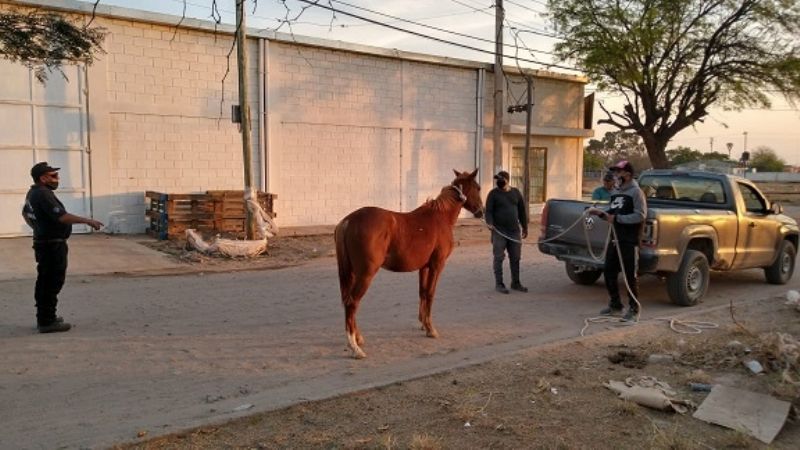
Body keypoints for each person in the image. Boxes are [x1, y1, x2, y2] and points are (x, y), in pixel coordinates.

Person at [22, 162, 104, 333]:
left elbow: (25, 214)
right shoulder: (43, 194)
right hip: (51, 245)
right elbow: (62, 217)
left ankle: (45, 316)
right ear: (42, 178)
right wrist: (87, 221)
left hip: (46, 243)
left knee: (46, 280)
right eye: (53, 176)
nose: (57, 179)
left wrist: (38, 228)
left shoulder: (34, 192)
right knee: (51, 282)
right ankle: (47, 321)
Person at [589, 160, 647, 321]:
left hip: (629, 240)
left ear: (627, 175)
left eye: (618, 172)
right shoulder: (615, 192)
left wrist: (618, 219)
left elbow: (640, 215)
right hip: (615, 239)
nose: (615, 176)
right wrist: (599, 213)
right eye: (615, 172)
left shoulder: (636, 192)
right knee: (609, 271)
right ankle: (615, 305)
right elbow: (612, 212)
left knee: (629, 275)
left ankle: (634, 309)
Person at [485, 170, 529, 294]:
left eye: (501, 179)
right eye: (497, 180)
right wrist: (490, 222)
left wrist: (525, 227)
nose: (498, 182)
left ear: (507, 180)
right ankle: (499, 284)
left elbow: (522, 211)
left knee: (515, 257)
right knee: (498, 257)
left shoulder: (516, 193)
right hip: (499, 231)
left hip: (514, 231)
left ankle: (516, 282)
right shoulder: (493, 194)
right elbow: (488, 211)